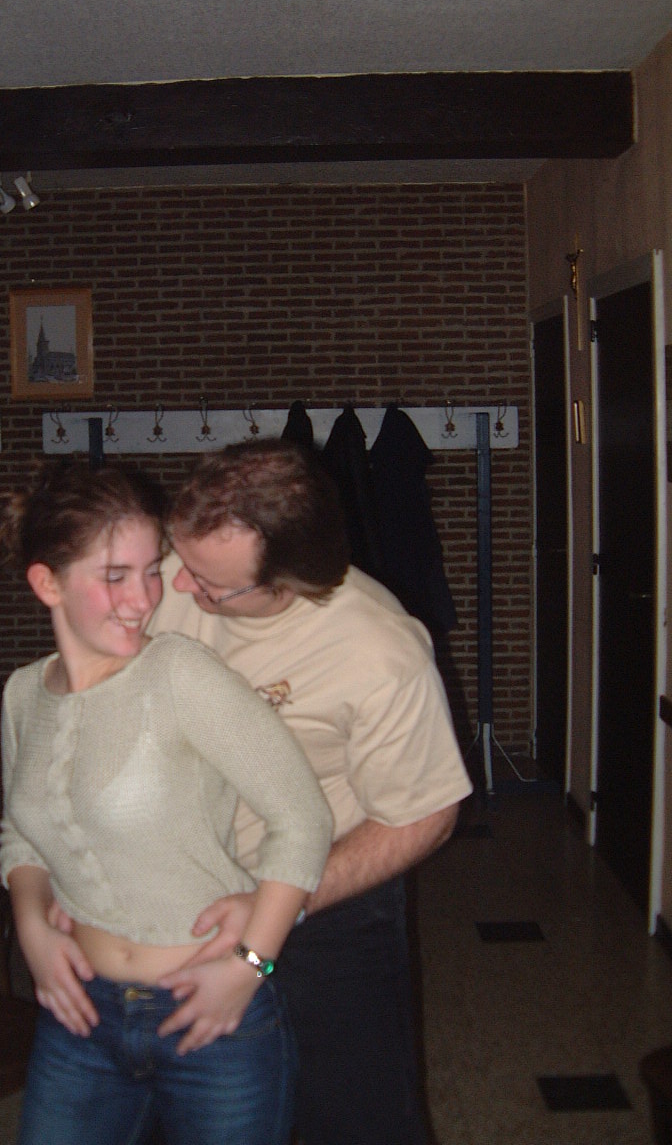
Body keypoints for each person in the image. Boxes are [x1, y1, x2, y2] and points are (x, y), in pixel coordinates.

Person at [0, 462, 333, 1145]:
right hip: (80, 1013)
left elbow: (303, 818)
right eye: (115, 576)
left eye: (151, 571)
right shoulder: (23, 695)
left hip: (212, 1013)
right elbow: (20, 837)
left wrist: (251, 966)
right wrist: (31, 926)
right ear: (47, 583)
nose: (143, 598)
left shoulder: (179, 673)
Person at [147, 439, 474, 1145]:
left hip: (328, 906)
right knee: (184, 1115)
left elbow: (424, 816)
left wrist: (275, 913)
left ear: (289, 583)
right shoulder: (180, 570)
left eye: (209, 585)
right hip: (184, 895)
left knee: (356, 1119)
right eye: (181, 562)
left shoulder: (379, 650)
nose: (180, 588)